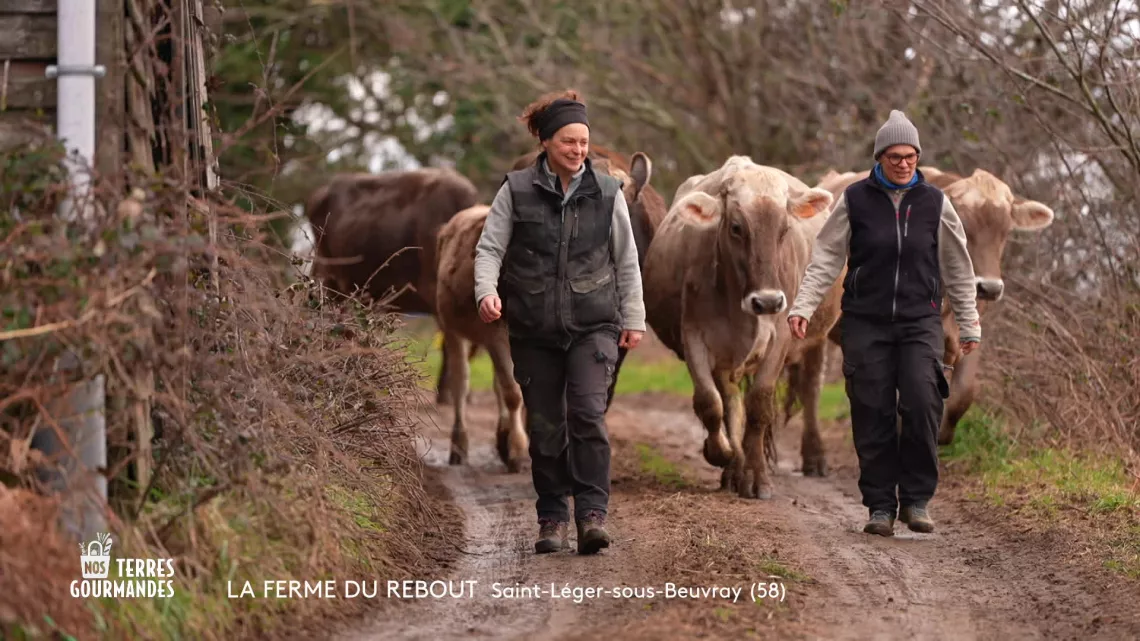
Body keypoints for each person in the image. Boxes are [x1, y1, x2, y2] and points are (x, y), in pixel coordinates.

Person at [787, 109, 982, 537]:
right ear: (879, 158)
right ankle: (879, 506)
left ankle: (916, 500)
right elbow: (826, 258)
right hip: (865, 322)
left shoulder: (935, 203)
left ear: (918, 157)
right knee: (871, 410)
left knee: (923, 401)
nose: (903, 163)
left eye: (910, 156)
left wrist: (969, 323)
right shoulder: (854, 200)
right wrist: (803, 306)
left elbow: (958, 267)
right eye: (895, 156)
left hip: (920, 321)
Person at [473, 90, 646, 555]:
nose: (578, 150)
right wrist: (486, 292)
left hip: (594, 324)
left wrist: (634, 317)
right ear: (547, 142)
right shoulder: (516, 190)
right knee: (546, 426)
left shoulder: (607, 192)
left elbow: (627, 260)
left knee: (587, 415)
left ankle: (592, 514)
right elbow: (490, 249)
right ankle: (551, 517)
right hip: (534, 328)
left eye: (583, 142)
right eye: (569, 141)